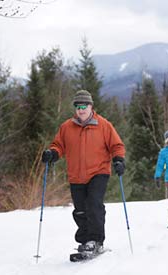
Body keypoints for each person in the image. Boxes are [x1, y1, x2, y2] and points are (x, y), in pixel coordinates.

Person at [40, 90, 126, 255]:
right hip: (76, 175)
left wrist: (118, 160)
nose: (81, 110)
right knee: (80, 210)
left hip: (98, 172)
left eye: (84, 106)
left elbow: (117, 145)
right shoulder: (66, 127)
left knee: (94, 205)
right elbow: (58, 145)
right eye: (78, 106)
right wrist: (52, 154)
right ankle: (86, 240)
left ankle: (96, 240)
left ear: (91, 106)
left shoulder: (104, 125)